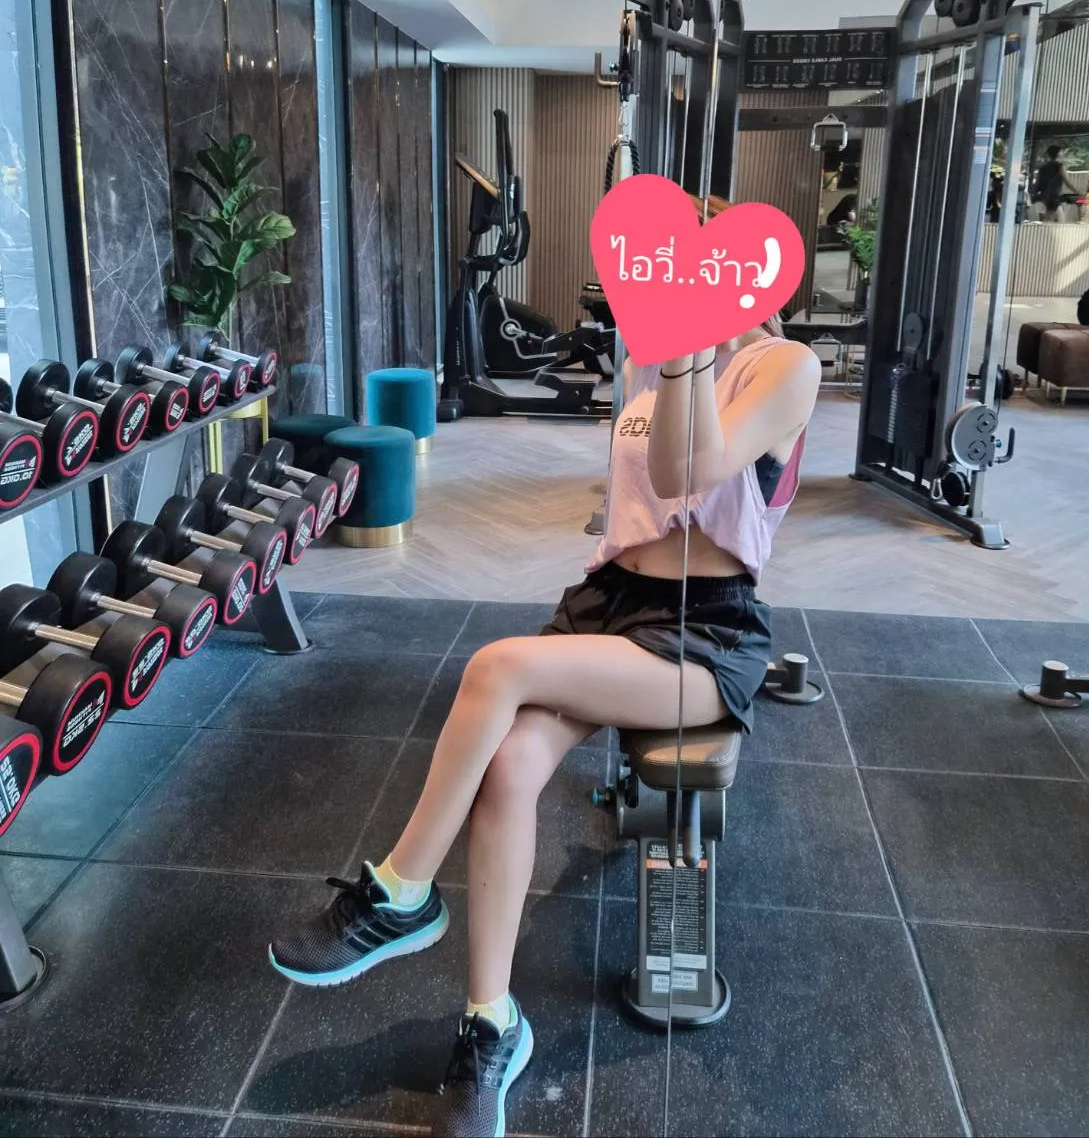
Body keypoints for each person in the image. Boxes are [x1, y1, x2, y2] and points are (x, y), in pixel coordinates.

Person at [267, 192, 821, 1138]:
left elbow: (691, 471)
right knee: (511, 767)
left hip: (704, 633)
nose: (678, 279)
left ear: (741, 272)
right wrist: (668, 348)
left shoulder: (783, 366)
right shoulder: (650, 358)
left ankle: (400, 892)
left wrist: (688, 342)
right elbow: (637, 498)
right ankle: (492, 1025)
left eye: (698, 264)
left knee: (494, 666)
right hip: (611, 604)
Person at [1032, 145, 1081, 221]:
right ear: (1058, 153)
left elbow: (1037, 184)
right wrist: (1078, 193)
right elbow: (1068, 183)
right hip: (1053, 199)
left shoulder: (1043, 168)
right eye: (1061, 151)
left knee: (1044, 223)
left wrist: (1033, 196)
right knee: (1060, 222)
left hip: (1042, 199)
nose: (1063, 153)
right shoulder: (1060, 166)